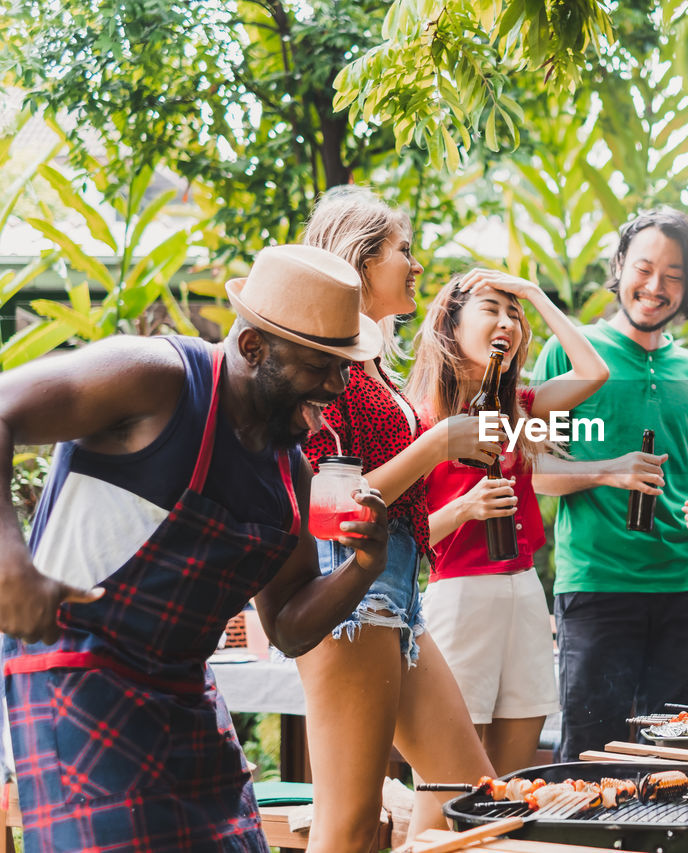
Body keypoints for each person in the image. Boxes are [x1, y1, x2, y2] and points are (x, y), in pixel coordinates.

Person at [0, 244, 390, 852]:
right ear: (254, 348)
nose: (337, 386)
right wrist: (9, 567)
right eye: (320, 366)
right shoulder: (153, 377)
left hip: (185, 694)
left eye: (343, 366)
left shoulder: (291, 475)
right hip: (77, 677)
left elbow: (287, 626)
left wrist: (365, 568)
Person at [296, 186, 499, 851]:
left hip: (399, 598)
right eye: (403, 250)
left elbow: (402, 511)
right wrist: (439, 443)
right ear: (358, 257)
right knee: (350, 826)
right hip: (350, 595)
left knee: (474, 797)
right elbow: (332, 509)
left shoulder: (372, 361)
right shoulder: (326, 361)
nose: (417, 265)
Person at [530, 207, 688, 760]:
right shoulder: (570, 353)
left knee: (683, 758)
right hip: (596, 589)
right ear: (619, 267)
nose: (655, 286)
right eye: (643, 268)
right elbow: (536, 474)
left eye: (673, 275)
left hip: (681, 591)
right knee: (594, 759)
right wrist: (609, 470)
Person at [404, 268, 608, 774]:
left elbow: (594, 371)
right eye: (491, 310)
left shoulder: (519, 408)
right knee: (457, 782)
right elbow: (404, 537)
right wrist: (466, 508)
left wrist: (535, 294)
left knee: (514, 782)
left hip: (525, 595)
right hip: (459, 599)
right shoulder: (420, 419)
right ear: (450, 325)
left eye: (513, 314)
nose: (507, 322)